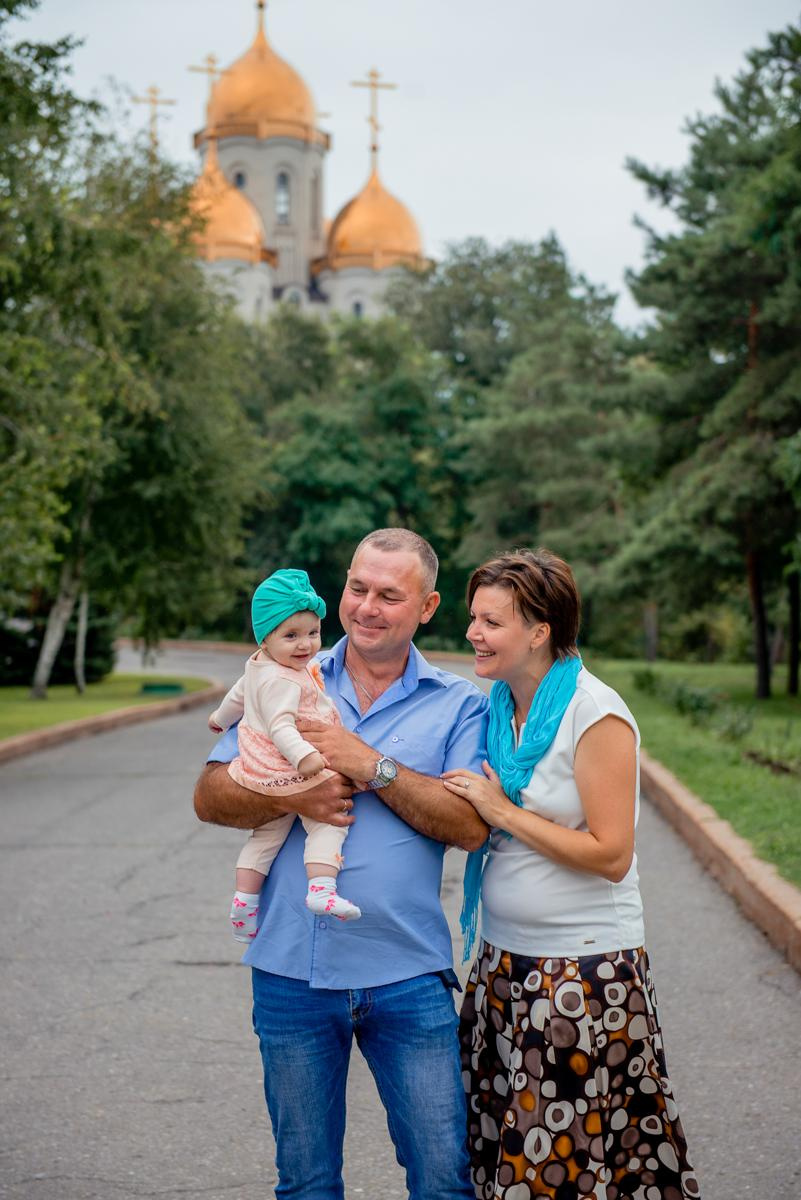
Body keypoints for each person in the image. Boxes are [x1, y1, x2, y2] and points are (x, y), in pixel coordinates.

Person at [194, 528, 489, 1200]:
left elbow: (469, 826)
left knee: (444, 1179)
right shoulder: (286, 671)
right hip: (291, 972)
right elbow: (209, 796)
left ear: (427, 606)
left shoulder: (459, 703)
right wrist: (293, 791)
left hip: (407, 972)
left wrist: (370, 765)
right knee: (305, 1185)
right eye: (357, 587)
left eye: (390, 594)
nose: (366, 606)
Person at [442, 548, 700, 1200]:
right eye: (473, 617)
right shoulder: (498, 707)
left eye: (490, 621)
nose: (472, 632)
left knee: (560, 1159)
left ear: (540, 630)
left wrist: (501, 809)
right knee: (519, 1151)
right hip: (503, 966)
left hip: (578, 975)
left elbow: (611, 855)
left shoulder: (595, 712)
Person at [208, 568, 361, 942]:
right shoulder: (286, 680)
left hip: (258, 769)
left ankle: (244, 905)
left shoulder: (257, 666)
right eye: (290, 636)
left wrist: (219, 718)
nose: (305, 645)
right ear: (265, 638)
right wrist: (306, 758)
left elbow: (237, 697)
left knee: (265, 836)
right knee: (328, 821)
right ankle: (322, 888)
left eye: (312, 633)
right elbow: (281, 727)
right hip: (290, 765)